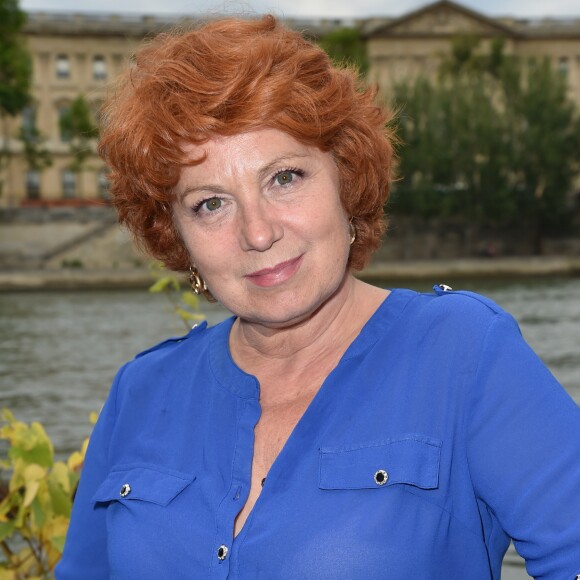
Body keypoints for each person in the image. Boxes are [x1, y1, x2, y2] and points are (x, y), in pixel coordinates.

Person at [56, 15, 580, 580]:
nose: (258, 233)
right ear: (175, 235)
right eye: (210, 203)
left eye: (284, 177)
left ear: (346, 181)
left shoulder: (464, 353)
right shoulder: (140, 391)